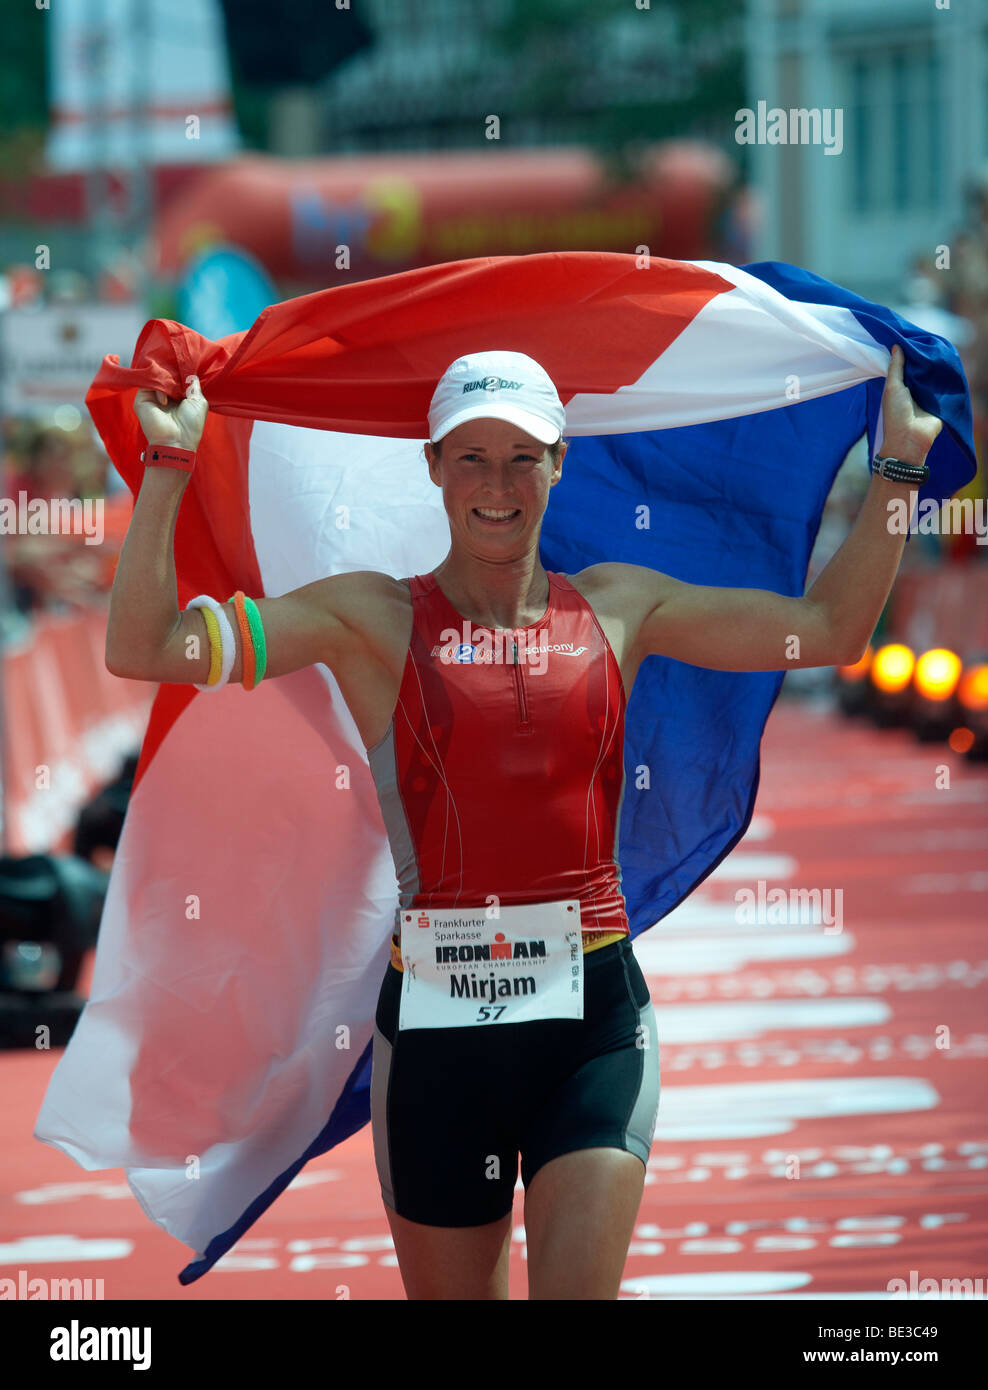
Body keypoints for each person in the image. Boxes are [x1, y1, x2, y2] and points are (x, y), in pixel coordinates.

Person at [110, 346, 941, 1300]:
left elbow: (829, 629)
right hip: (437, 1044)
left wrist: (899, 465)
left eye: (521, 456)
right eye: (471, 457)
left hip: (594, 1024)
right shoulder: (369, 618)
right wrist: (170, 466)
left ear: (560, 463)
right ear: (430, 465)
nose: (496, 484)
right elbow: (145, 648)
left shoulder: (623, 606)